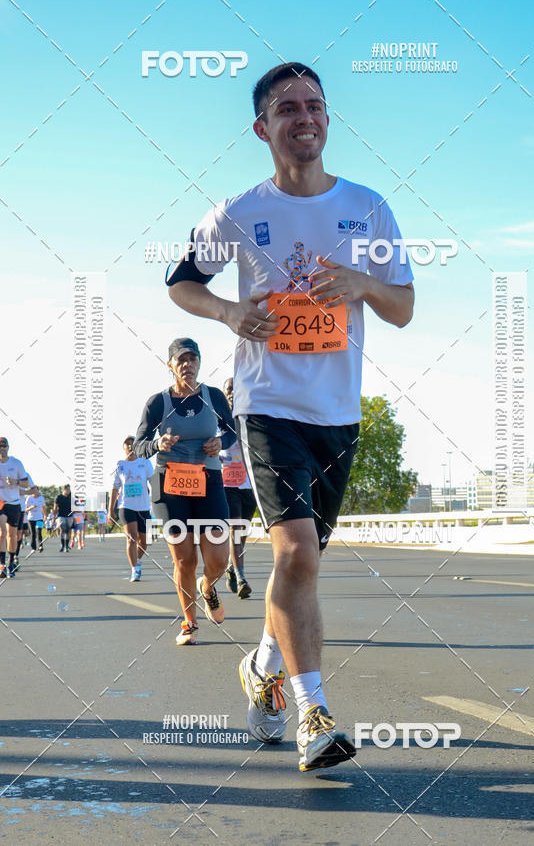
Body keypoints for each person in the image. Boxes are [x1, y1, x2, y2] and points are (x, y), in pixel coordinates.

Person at [167, 63, 414, 771]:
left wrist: (364, 282)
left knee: (300, 566)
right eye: (287, 108)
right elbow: (182, 281)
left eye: (315, 105)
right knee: (296, 554)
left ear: (328, 119)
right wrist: (227, 311)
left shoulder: (367, 208)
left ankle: (262, 667)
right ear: (262, 128)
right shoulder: (240, 212)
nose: (304, 117)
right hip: (268, 404)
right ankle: (314, 714)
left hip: (338, 412)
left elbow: (402, 306)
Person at [133, 338, 235, 644]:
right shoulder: (157, 403)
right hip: (169, 486)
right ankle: (189, 622)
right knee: (185, 560)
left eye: (193, 359)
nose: (187, 364)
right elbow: (138, 446)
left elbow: (232, 431)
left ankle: (209, 586)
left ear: (200, 363)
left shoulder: (213, 396)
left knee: (218, 558)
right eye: (181, 360)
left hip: (208, 481)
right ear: (170, 365)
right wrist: (156, 444)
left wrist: (220, 443)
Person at [220, 377, 256, 599]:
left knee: (241, 533)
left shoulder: (249, 418)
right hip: (227, 484)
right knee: (234, 530)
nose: (233, 393)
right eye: (229, 389)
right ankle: (242, 577)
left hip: (249, 484)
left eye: (236, 389)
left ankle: (232, 567)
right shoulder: (217, 420)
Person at [109, 437, 154, 582]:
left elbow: (153, 482)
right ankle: (134, 569)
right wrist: (111, 511)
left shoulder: (145, 462)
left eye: (133, 444)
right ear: (124, 448)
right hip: (126, 506)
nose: (130, 446)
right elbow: (115, 489)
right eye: (127, 444)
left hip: (143, 507)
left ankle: (138, 560)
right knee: (131, 537)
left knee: (144, 541)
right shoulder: (120, 465)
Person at [0, 438, 32, 578]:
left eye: (4, 446)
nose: (2, 448)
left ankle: (11, 562)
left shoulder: (16, 463)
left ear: (8, 447)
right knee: (2, 532)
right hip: (1, 503)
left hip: (14, 503)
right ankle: (1, 564)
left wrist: (15, 481)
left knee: (12, 535)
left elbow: (26, 483)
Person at [25, 486, 46, 552]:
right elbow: (25, 509)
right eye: (33, 490)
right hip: (31, 518)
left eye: (36, 490)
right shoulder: (29, 498)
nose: (35, 492)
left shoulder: (41, 498)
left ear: (38, 491)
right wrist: (31, 507)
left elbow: (43, 507)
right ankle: (33, 547)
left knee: (39, 532)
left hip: (39, 517)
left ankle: (40, 546)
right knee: (33, 533)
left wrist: (45, 515)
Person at [54, 484, 73, 553]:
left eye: (69, 489)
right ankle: (62, 545)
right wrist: (54, 517)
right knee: (62, 529)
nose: (68, 491)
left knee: (68, 530)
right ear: (64, 489)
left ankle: (67, 546)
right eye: (67, 489)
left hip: (70, 516)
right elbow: (55, 508)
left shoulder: (71, 497)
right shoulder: (59, 497)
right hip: (61, 516)